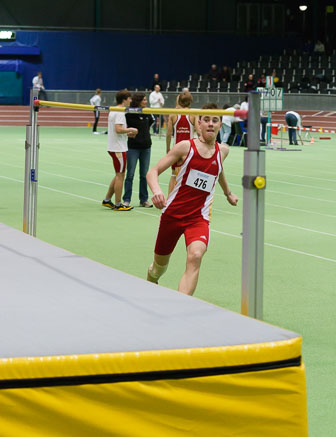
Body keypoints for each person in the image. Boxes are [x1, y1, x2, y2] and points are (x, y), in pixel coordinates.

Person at [146, 103, 238, 296]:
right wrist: (156, 191)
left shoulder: (223, 151)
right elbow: (153, 171)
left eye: (215, 120)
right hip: (172, 215)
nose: (211, 124)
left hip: (198, 218)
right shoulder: (185, 147)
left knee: (195, 256)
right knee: (158, 269)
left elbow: (217, 170)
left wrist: (227, 192)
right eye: (206, 120)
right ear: (198, 124)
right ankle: (151, 280)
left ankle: (181, 306)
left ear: (220, 125)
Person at [102, 90, 138, 211]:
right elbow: (118, 129)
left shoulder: (114, 110)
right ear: (125, 99)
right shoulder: (120, 112)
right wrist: (131, 130)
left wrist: (127, 133)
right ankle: (118, 204)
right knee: (120, 175)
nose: (131, 101)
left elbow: (116, 130)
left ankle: (107, 199)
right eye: (129, 98)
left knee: (119, 174)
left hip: (115, 145)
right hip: (118, 148)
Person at [122, 92, 155, 208]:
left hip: (146, 147)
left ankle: (144, 199)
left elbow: (151, 122)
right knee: (130, 174)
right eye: (144, 100)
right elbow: (123, 128)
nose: (146, 102)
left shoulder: (147, 113)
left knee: (144, 175)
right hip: (133, 148)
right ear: (138, 101)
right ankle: (126, 199)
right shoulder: (129, 114)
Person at [166, 91, 196, 195]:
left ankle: (168, 201)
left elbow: (169, 133)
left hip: (176, 149)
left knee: (174, 175)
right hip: (189, 150)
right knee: (189, 176)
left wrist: (168, 148)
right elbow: (199, 131)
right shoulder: (193, 114)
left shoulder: (173, 114)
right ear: (191, 101)